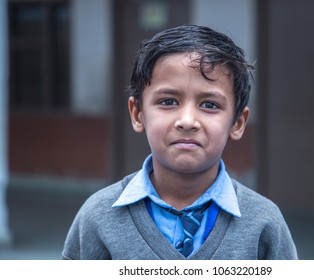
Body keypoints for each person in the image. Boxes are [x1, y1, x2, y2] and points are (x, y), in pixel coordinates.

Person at [62, 24, 298, 260]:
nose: (187, 121)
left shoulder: (264, 223)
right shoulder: (97, 217)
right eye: (168, 102)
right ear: (137, 114)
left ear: (237, 122)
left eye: (209, 105)